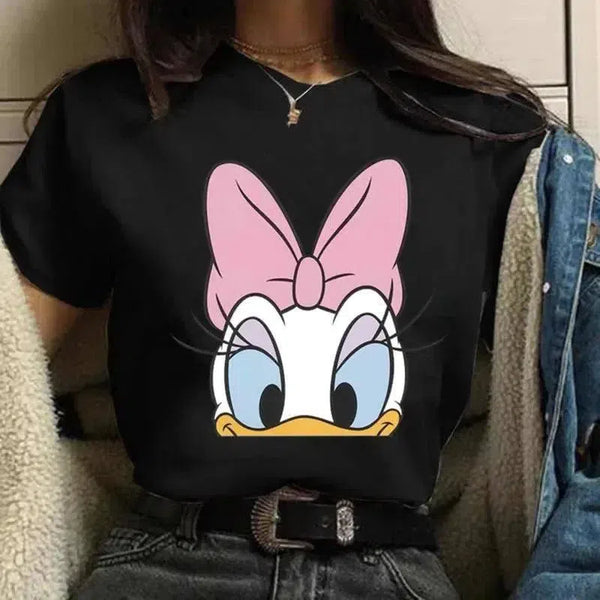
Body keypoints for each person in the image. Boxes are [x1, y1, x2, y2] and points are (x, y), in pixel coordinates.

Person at [0, 1, 559, 598]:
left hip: (392, 569)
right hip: (170, 568)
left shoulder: (487, 131)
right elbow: (12, 371)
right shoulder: (106, 115)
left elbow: (569, 408)